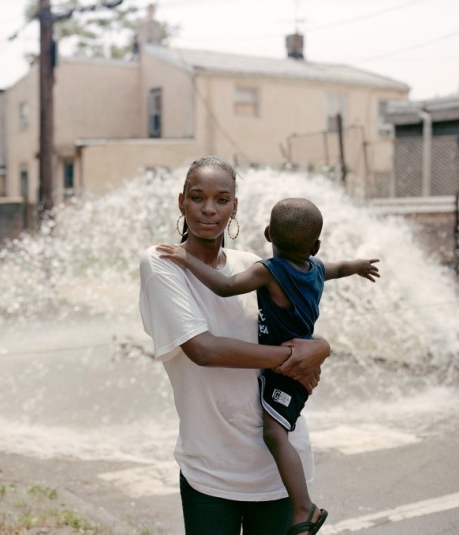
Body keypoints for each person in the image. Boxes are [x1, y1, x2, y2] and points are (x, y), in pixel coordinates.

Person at [157, 197, 380, 535]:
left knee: (275, 434)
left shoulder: (269, 271)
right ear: (316, 245)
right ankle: (303, 504)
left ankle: (305, 508)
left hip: (287, 371)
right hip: (299, 363)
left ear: (267, 234)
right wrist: (358, 265)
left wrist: (186, 259)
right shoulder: (316, 268)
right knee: (279, 431)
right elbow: (337, 269)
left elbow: (225, 286)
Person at [139, 157, 331, 535]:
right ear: (182, 202)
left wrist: (321, 346)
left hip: (278, 465)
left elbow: (301, 328)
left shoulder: (255, 267)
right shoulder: (163, 262)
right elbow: (203, 350)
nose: (209, 209)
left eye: (222, 199)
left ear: (235, 207)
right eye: (197, 197)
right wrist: (297, 357)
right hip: (211, 468)